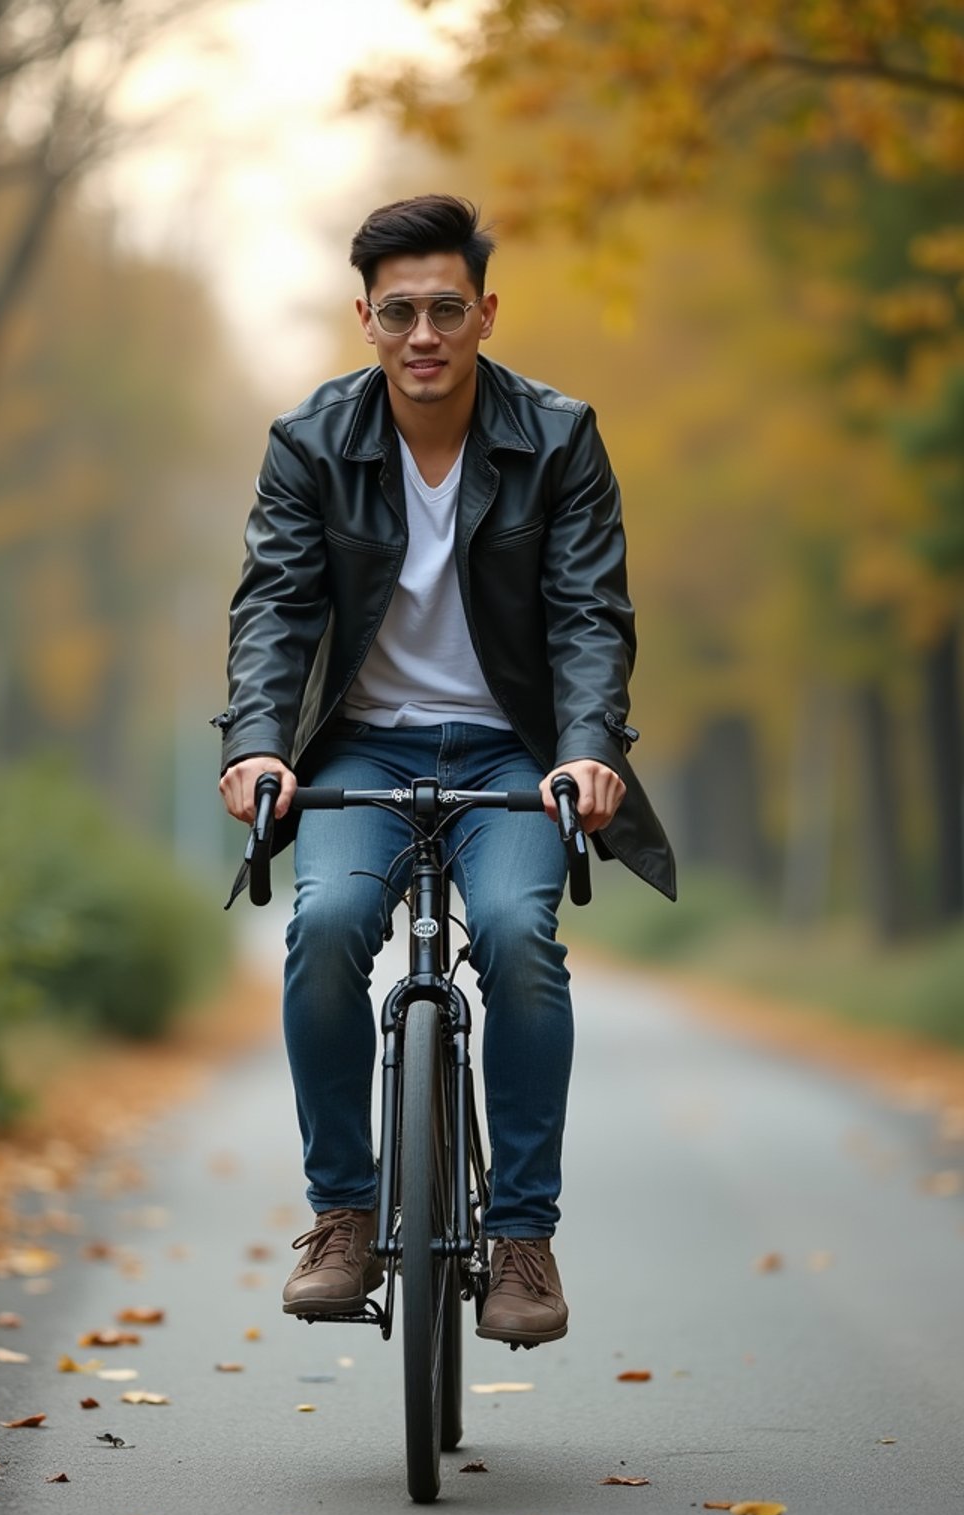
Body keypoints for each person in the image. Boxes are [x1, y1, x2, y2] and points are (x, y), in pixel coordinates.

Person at [216, 194, 674, 1348]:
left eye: (447, 309)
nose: (425, 333)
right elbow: (274, 607)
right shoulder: (310, 444)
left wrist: (585, 751)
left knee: (520, 936)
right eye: (400, 311)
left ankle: (521, 1235)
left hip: (514, 747)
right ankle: (342, 1211)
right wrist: (257, 742)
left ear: (485, 314)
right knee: (323, 928)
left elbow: (587, 614)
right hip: (359, 749)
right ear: (365, 319)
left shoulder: (558, 436)